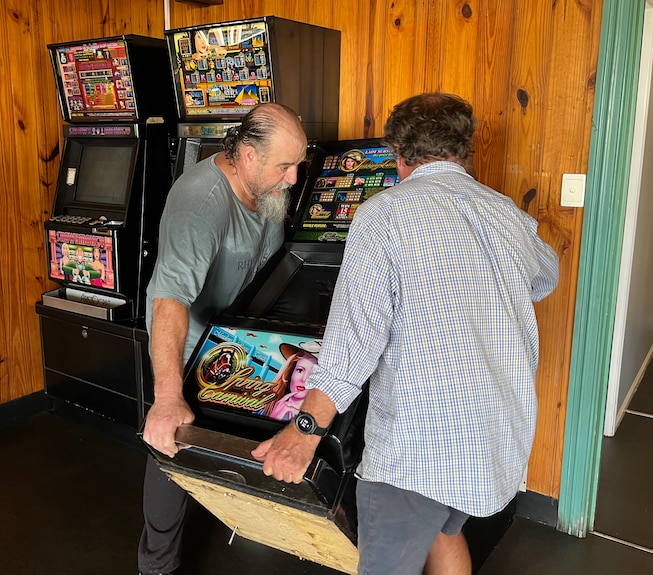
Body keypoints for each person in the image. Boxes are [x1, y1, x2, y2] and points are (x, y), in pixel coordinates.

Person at [252, 93, 560, 575]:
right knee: (445, 530)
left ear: (397, 151)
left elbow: (352, 346)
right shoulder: (505, 213)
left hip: (416, 451)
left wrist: (305, 430)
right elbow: (546, 276)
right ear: (463, 149)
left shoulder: (383, 215)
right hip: (495, 442)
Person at [137, 102, 308, 575]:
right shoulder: (201, 201)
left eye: (299, 164)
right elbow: (169, 298)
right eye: (285, 166)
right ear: (248, 156)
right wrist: (168, 396)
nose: (294, 178)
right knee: (172, 444)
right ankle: (156, 566)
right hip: (188, 349)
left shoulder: (267, 189)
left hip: (237, 340)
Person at [269, 342, 319, 421]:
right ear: (291, 372)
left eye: (312, 373)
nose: (304, 379)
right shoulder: (264, 406)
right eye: (300, 370)